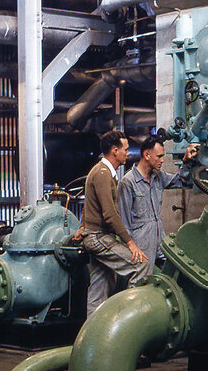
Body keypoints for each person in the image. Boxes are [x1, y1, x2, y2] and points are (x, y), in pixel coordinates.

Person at [80, 130, 148, 316]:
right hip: (99, 237)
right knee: (141, 266)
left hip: (93, 236)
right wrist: (130, 243)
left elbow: (89, 205)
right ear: (115, 151)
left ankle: (92, 335)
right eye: (125, 149)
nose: (128, 153)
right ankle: (128, 319)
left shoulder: (103, 172)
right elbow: (109, 214)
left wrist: (82, 228)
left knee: (100, 284)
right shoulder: (102, 174)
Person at [119, 134, 200, 276]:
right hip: (141, 245)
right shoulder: (128, 182)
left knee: (172, 275)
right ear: (147, 154)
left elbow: (183, 182)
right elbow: (124, 222)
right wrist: (131, 247)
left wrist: (186, 161)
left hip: (159, 239)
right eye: (159, 156)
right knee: (141, 283)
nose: (162, 160)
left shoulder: (158, 176)